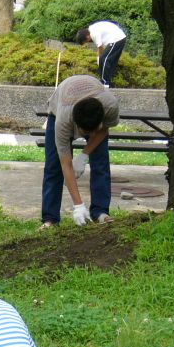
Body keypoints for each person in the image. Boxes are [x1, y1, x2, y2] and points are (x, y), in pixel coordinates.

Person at [40, 75, 119, 230]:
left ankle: (100, 212)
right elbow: (65, 163)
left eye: (91, 132)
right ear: (75, 125)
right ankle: (50, 219)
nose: (85, 135)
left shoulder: (110, 106)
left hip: (94, 106)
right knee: (53, 167)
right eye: (84, 132)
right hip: (60, 105)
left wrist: (84, 154)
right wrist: (78, 205)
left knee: (101, 164)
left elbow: (103, 130)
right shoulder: (63, 120)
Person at [76, 21, 127, 88]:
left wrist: (99, 58)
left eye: (86, 41)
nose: (88, 42)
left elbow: (100, 47)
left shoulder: (93, 33)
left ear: (87, 37)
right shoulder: (92, 28)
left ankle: (104, 83)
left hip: (116, 39)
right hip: (120, 38)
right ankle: (109, 83)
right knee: (111, 62)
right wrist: (99, 57)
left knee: (104, 59)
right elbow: (100, 47)